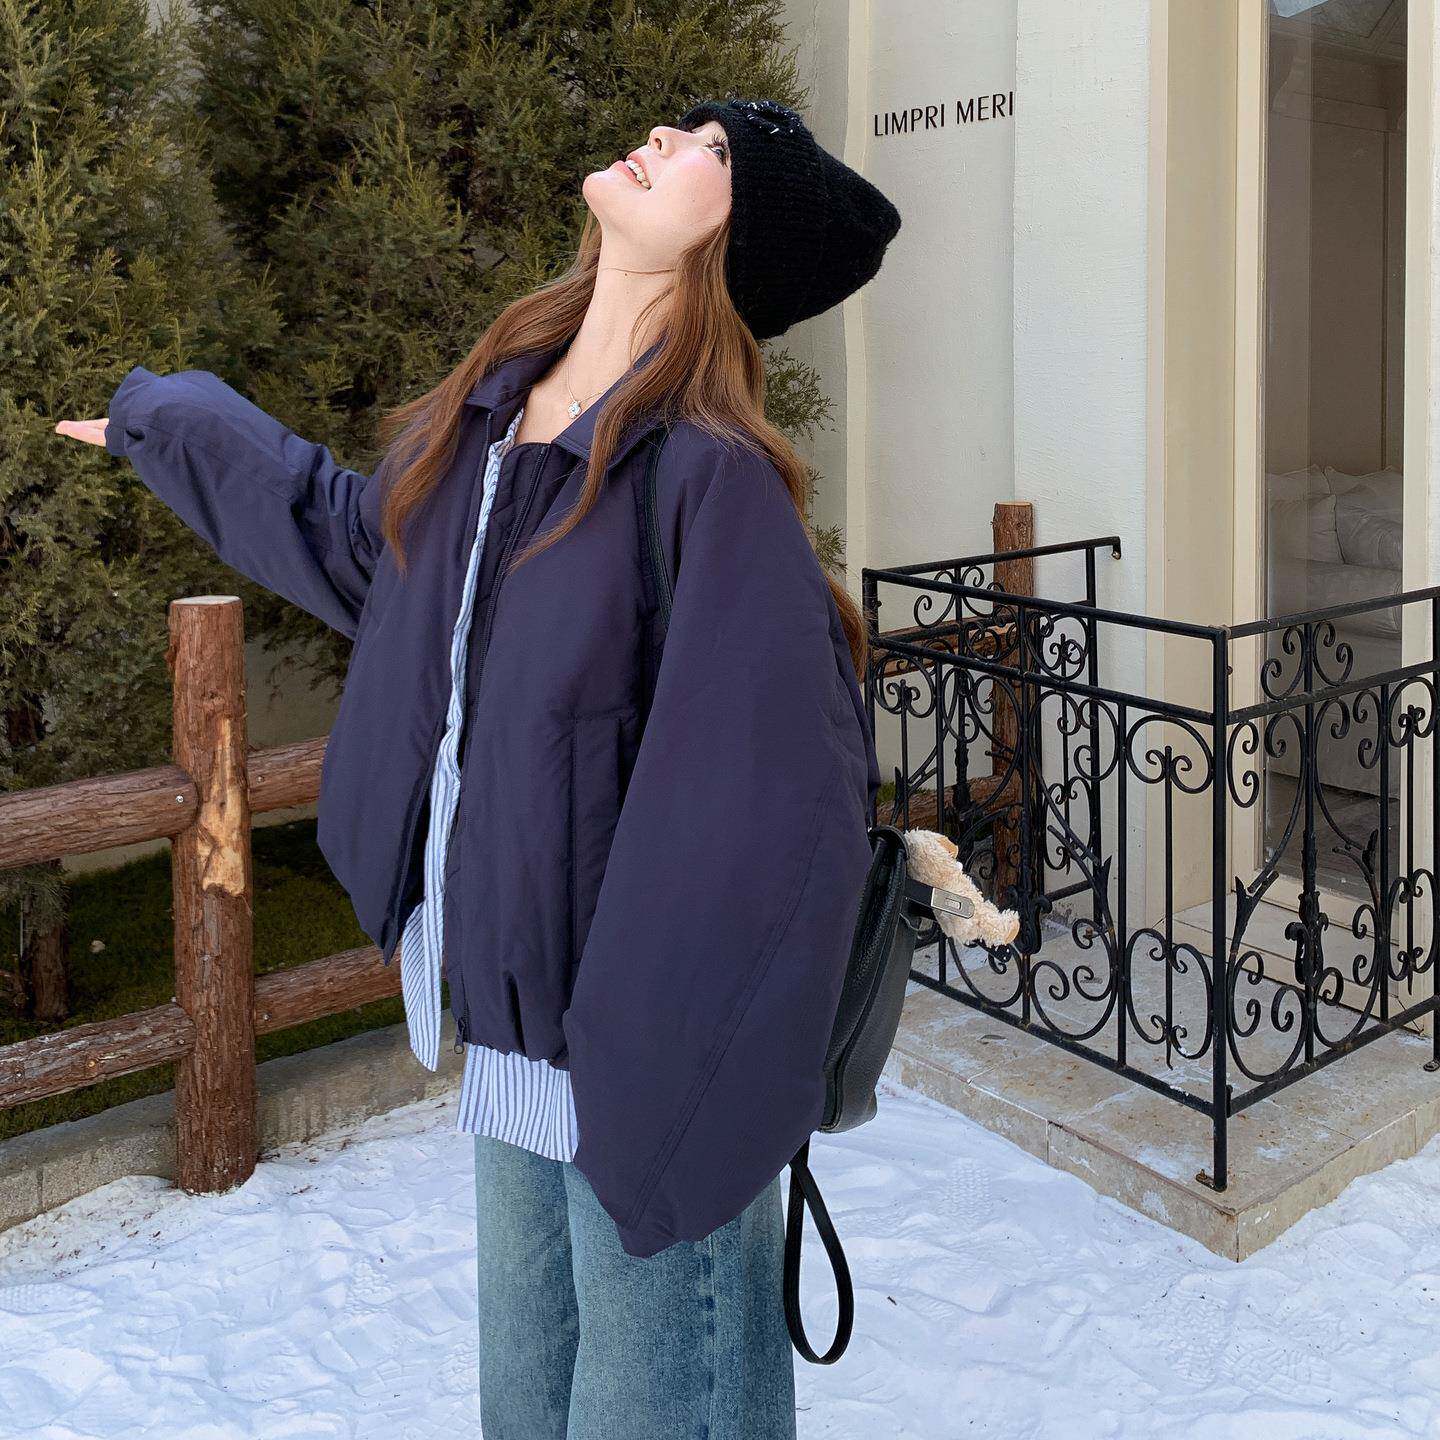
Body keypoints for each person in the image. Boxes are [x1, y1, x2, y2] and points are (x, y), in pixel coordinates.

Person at [57, 93, 901, 1439]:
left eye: (715, 153)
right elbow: (369, 555)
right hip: (515, 1043)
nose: (670, 141)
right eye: (684, 127)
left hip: (646, 1080)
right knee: (529, 1413)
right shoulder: (496, 425)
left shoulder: (710, 481)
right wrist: (174, 428)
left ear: (737, 243)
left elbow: (763, 822)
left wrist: (658, 1091)